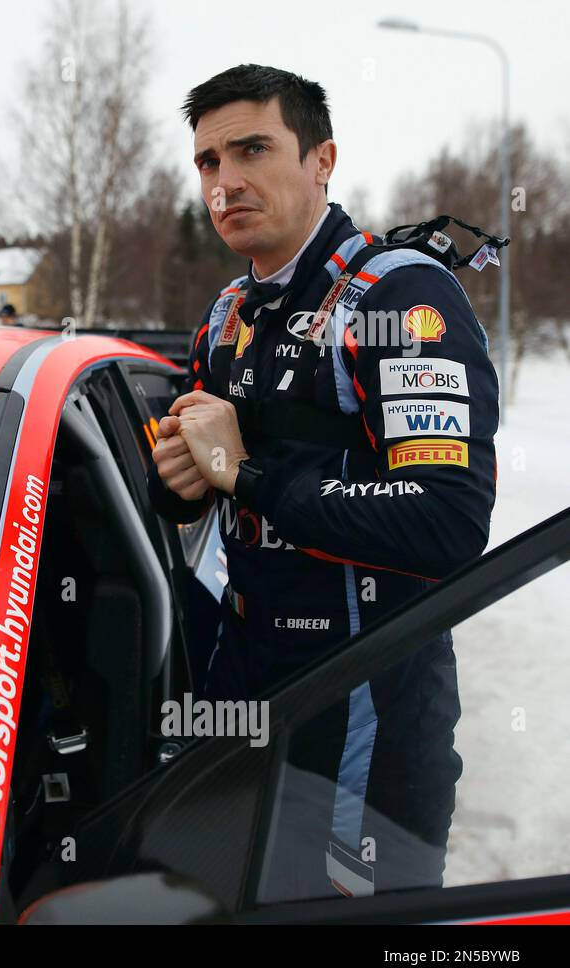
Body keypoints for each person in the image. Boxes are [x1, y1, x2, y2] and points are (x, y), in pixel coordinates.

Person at [148, 64, 499, 900]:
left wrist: (250, 474)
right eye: (206, 162)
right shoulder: (228, 313)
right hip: (243, 691)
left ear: (321, 159)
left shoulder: (400, 295)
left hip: (367, 703)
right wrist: (183, 485)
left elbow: (448, 520)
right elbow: (205, 493)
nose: (226, 182)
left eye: (252, 149)